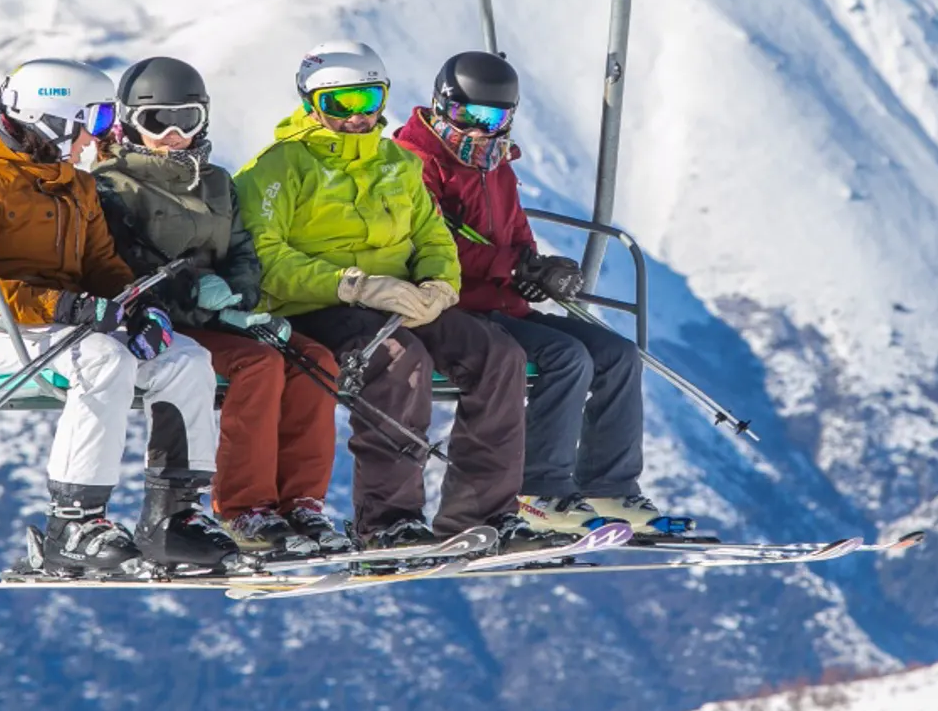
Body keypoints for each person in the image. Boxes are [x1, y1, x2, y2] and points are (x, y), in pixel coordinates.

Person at [0, 57, 241, 574]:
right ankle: (73, 524)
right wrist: (63, 306)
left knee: (186, 358)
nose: (101, 136)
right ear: (51, 121)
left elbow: (102, 266)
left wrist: (138, 307)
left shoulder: (76, 185)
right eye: (93, 122)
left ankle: (173, 519)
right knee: (102, 361)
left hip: (67, 324)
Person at [233, 39, 532, 549]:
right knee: (398, 362)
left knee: (499, 355)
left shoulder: (397, 163)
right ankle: (388, 519)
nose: (355, 117)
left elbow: (434, 238)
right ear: (310, 104)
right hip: (318, 306)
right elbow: (265, 260)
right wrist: (354, 285)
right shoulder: (277, 169)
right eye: (339, 104)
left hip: (400, 302)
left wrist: (440, 285)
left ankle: (481, 513)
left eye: (366, 101)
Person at [393, 51, 693, 539]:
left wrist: (538, 271)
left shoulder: (496, 166)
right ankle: (540, 489)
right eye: (469, 115)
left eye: (495, 118)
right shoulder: (415, 164)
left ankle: (610, 488)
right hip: (444, 306)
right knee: (566, 357)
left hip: (498, 305)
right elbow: (433, 249)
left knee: (618, 354)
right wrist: (514, 266)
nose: (480, 130)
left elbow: (515, 236)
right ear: (442, 105)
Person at [89, 55, 352, 559]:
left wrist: (240, 299)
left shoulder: (215, 181)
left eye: (184, 119)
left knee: (315, 359)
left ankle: (301, 503)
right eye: (156, 121)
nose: (172, 134)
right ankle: (245, 508)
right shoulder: (112, 186)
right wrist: (196, 297)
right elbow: (124, 265)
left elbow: (242, 250)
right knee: (258, 364)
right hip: (162, 322)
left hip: (222, 317)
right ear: (128, 122)